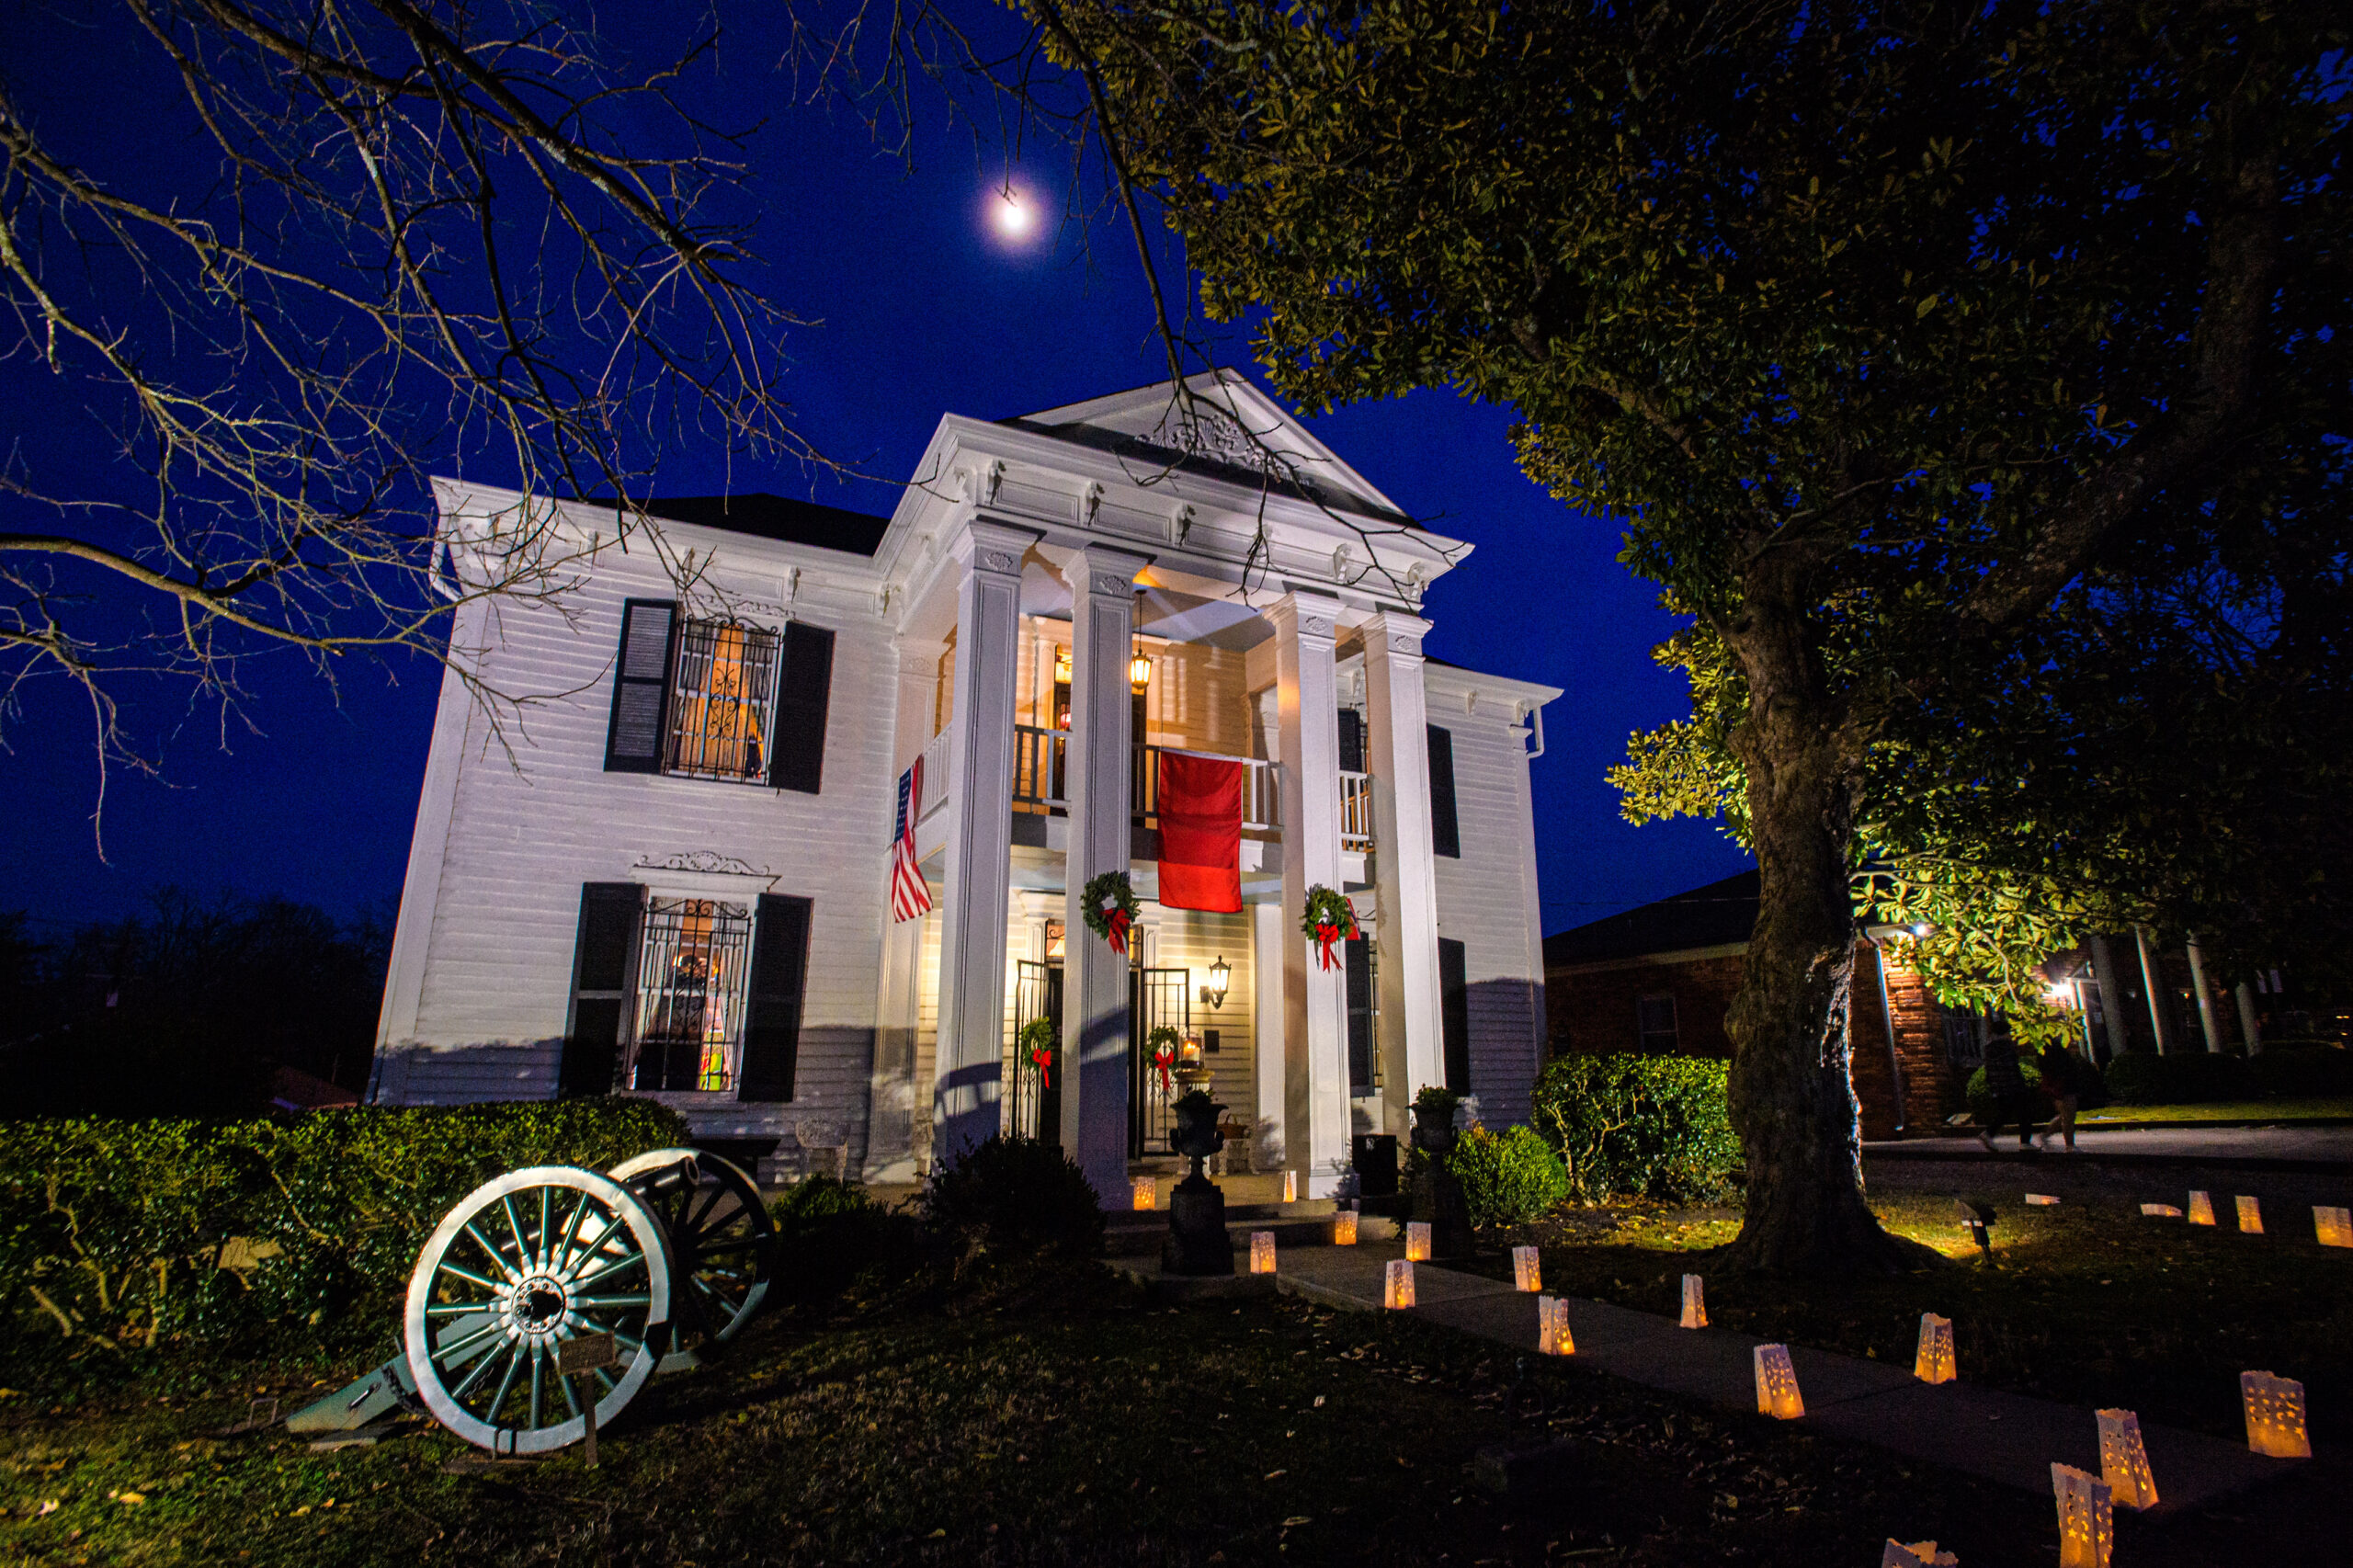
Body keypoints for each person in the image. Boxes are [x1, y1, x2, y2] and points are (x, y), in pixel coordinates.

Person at [1975, 1017, 2040, 1153]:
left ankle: (1989, 1133)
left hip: (1998, 1086)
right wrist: (2021, 1083)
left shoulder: (1989, 1048)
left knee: (2005, 1112)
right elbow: (2012, 1068)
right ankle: (2025, 1142)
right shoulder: (2006, 1047)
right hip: (2012, 1085)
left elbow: (1989, 1069)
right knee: (2024, 1112)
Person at [2037, 1041, 2093, 1152]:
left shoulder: (2046, 1050)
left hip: (2060, 1086)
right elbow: (2064, 1068)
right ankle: (2069, 1145)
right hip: (2064, 1086)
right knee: (2068, 1116)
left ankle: (2047, 1135)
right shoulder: (2055, 1051)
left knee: (2065, 1115)